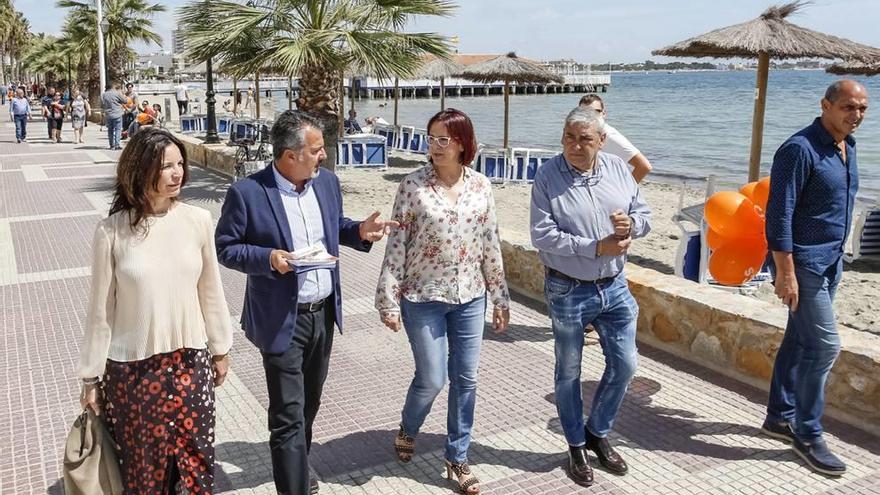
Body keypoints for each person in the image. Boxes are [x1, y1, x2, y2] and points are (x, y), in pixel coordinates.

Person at [215, 110, 396, 495]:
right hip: (281, 320)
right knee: (287, 417)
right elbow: (226, 248)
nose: (324, 156)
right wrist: (268, 259)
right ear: (289, 154)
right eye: (316, 150)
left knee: (307, 408)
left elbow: (336, 228)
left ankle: (298, 466)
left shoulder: (327, 183)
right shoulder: (248, 192)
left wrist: (359, 231)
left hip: (323, 315)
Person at [77, 127, 234, 494]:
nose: (177, 173)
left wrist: (221, 348)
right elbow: (100, 312)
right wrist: (89, 378)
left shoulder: (197, 220)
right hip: (133, 373)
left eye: (180, 164)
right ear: (140, 169)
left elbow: (210, 290)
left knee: (196, 464)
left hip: (190, 363)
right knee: (144, 471)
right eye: (166, 166)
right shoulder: (112, 231)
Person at [375, 108, 510, 494]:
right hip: (423, 297)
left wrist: (499, 297)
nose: (433, 146)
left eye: (442, 139)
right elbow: (397, 244)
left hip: (470, 298)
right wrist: (388, 299)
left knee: (466, 379)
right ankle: (409, 426)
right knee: (433, 378)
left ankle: (457, 457)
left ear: (463, 143)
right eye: (430, 138)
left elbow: (490, 244)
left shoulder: (482, 186)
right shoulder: (412, 186)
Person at [530, 106, 651, 487]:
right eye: (570, 137)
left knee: (626, 364)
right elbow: (542, 235)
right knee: (568, 371)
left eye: (585, 139)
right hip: (567, 288)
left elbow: (643, 214)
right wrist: (594, 247)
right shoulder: (548, 175)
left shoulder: (618, 169)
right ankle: (575, 443)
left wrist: (633, 225)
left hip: (615, 287)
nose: (576, 146)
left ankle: (598, 431)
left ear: (601, 141)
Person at [760, 80, 868, 477]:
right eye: (847, 107)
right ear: (825, 105)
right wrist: (784, 272)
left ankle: (778, 416)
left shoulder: (847, 147)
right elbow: (778, 215)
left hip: (831, 261)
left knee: (799, 338)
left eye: (862, 109)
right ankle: (807, 433)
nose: (855, 115)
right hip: (802, 265)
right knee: (824, 348)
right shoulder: (798, 149)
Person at [578, 94, 653, 183]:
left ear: (604, 114)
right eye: (585, 112)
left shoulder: (610, 137)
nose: (590, 116)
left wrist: (626, 191)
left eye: (595, 112)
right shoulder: (585, 134)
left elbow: (644, 166)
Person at [101, 82, 128, 150]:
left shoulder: (103, 95)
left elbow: (102, 105)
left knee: (110, 130)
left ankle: (111, 145)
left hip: (108, 114)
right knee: (118, 130)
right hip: (117, 113)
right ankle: (117, 145)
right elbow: (125, 101)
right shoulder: (116, 93)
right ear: (112, 87)